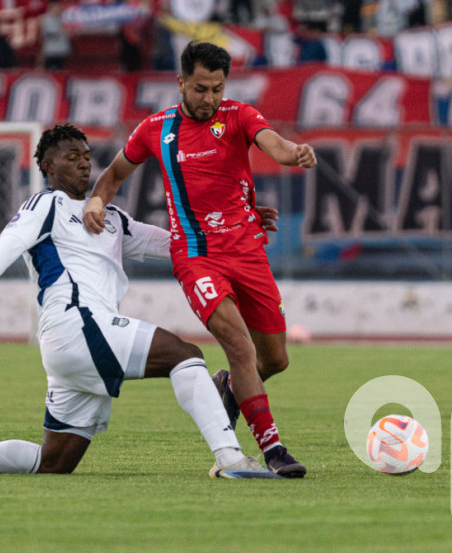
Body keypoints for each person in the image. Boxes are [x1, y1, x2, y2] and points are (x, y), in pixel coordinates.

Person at [0, 123, 277, 479]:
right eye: (72, 158)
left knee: (53, 462)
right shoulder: (46, 205)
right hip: (77, 326)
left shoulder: (112, 218)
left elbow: (178, 242)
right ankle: (230, 459)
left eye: (87, 157)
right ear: (49, 168)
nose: (85, 165)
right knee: (185, 355)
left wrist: (236, 224)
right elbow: (12, 241)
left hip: (77, 345)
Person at [82, 41, 317, 478]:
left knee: (275, 360)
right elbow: (113, 175)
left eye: (217, 88)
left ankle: (227, 386)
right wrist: (96, 202)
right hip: (196, 257)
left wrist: (295, 154)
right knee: (240, 346)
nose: (210, 98)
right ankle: (274, 450)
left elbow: (276, 145)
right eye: (201, 88)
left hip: (247, 252)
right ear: (181, 83)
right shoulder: (155, 128)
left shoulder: (239, 116)